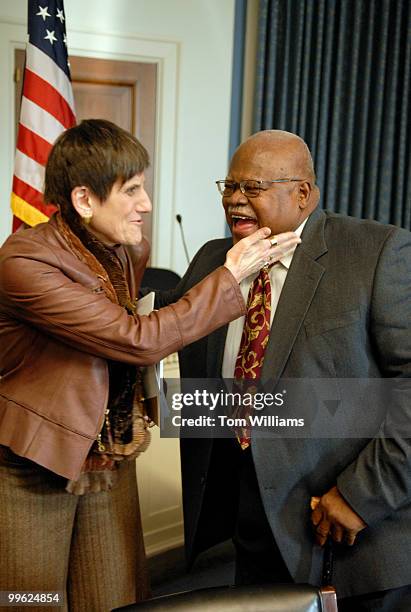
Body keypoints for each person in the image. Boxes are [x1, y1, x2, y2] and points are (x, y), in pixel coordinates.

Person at [0, 120, 299, 612]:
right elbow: (135, 339)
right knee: (31, 600)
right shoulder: (25, 263)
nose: (147, 204)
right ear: (84, 201)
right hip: (40, 462)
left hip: (109, 454)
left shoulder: (123, 248)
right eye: (133, 190)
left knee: (116, 599)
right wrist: (232, 275)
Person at [153, 130, 411, 611]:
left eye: (251, 188)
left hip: (353, 531)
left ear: (303, 194)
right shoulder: (214, 259)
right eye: (228, 187)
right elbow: (156, 326)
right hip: (250, 527)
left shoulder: (377, 254)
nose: (234, 200)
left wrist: (362, 496)